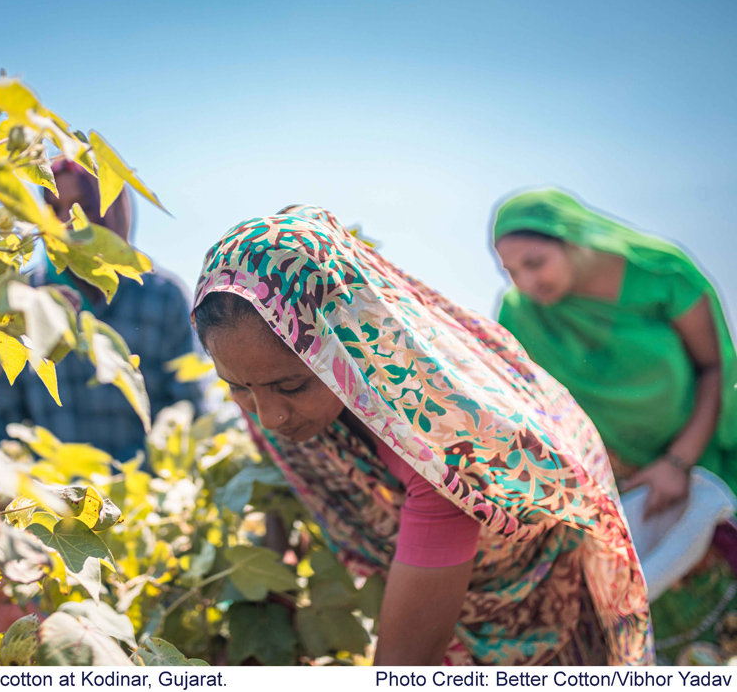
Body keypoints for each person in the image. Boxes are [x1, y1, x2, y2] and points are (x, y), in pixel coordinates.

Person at [192, 204, 651, 665]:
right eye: (237, 387)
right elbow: (286, 469)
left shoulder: (441, 447)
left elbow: (403, 666)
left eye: (290, 386)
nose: (267, 416)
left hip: (544, 624)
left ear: (349, 340)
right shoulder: (268, 380)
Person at [491, 188, 737, 662]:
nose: (525, 281)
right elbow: (531, 407)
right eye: (511, 272)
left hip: (700, 457)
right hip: (620, 489)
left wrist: (678, 462)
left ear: (573, 239)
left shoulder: (661, 275)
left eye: (535, 262)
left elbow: (713, 368)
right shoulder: (520, 315)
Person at [0, 160, 203, 461]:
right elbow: (2, 416)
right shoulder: (24, 297)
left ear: (112, 211)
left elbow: (188, 400)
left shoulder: (162, 297)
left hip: (144, 494)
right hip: (53, 496)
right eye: (53, 210)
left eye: (81, 209)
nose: (65, 224)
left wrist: (160, 450)